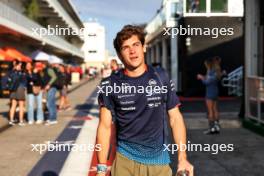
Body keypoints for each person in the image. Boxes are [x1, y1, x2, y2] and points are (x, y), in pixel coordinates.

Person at [96, 25, 193, 176]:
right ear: (119, 54)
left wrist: (182, 158)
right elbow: (104, 126)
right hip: (125, 161)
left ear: (144, 47)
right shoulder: (109, 84)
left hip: (159, 163)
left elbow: (175, 118)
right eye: (126, 48)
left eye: (136, 45)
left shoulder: (161, 77)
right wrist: (101, 169)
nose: (132, 51)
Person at [197, 58, 221, 134]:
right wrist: (204, 77)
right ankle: (216, 127)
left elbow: (207, 82)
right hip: (215, 92)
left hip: (210, 93)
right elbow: (210, 79)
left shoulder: (211, 72)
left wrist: (201, 78)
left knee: (210, 111)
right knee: (215, 109)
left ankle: (211, 128)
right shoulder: (216, 72)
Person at [8, 61, 27, 126]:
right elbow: (24, 82)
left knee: (13, 105)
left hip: (13, 90)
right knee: (21, 106)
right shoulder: (22, 73)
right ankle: (21, 121)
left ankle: (11, 120)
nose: (20, 67)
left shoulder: (11, 72)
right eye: (19, 65)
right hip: (20, 89)